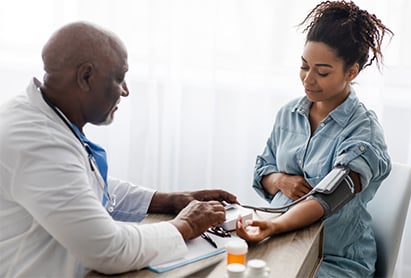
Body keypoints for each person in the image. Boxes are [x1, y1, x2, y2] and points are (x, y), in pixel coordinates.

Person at [0, 21, 238, 277]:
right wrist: (185, 225)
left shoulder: (41, 113)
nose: (125, 91)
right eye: (120, 78)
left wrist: (168, 200)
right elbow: (108, 250)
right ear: (86, 77)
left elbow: (80, 184)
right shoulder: (39, 143)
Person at [236, 1, 393, 277]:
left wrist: (276, 225)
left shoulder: (363, 131)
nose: (308, 79)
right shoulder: (288, 114)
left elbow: (330, 195)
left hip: (333, 258)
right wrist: (280, 181)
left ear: (351, 72)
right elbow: (262, 171)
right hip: (280, 242)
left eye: (322, 72)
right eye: (304, 66)